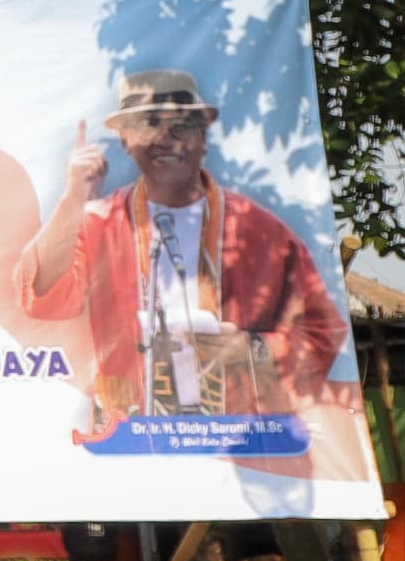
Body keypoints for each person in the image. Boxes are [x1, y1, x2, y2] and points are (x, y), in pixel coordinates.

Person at [19, 68, 348, 434]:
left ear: (203, 137)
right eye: (149, 125)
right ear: (126, 140)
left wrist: (252, 349)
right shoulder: (98, 222)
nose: (165, 139)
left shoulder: (260, 231)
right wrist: (73, 197)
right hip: (126, 437)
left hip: (234, 443)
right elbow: (43, 293)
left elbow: (323, 333)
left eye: (181, 126)